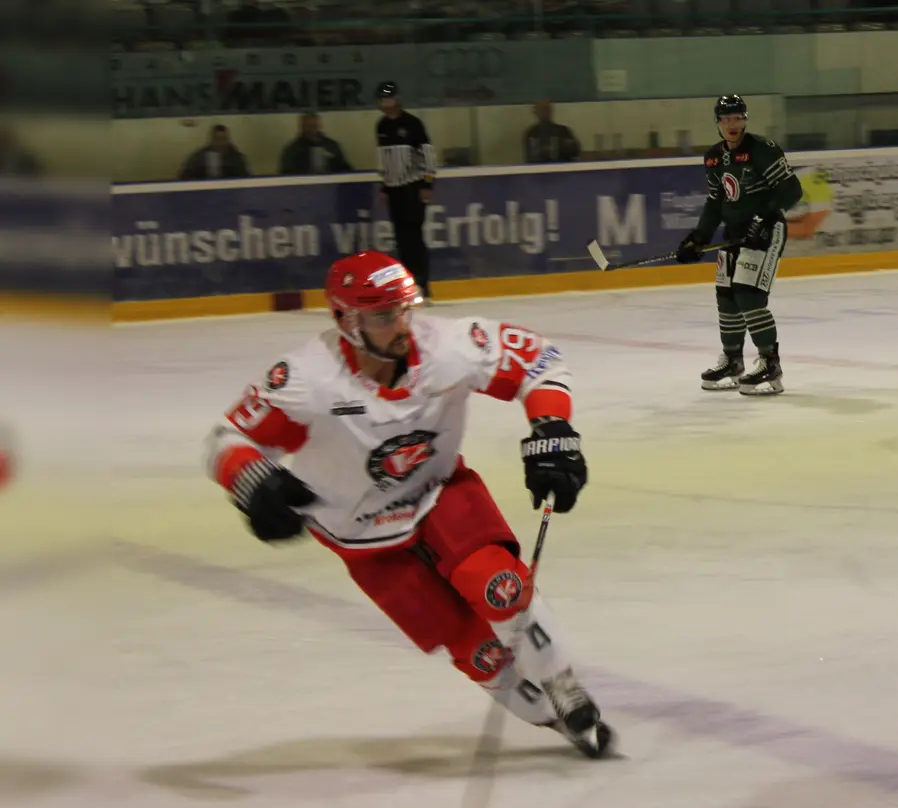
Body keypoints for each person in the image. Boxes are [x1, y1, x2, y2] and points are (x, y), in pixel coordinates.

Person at [201, 250, 612, 758]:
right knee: (474, 649)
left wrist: (552, 426)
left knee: (500, 586)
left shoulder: (449, 348)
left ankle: (564, 685)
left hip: (439, 491)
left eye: (404, 308)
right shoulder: (306, 380)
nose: (401, 325)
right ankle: (549, 717)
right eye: (383, 315)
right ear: (345, 320)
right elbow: (229, 437)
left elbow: (538, 360)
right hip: (358, 532)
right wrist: (252, 482)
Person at [674, 94, 803, 396]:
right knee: (726, 295)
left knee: (748, 294)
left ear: (745, 120)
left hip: (766, 231)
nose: (732, 124)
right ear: (717, 123)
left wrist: (762, 217)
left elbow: (792, 191)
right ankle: (733, 361)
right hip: (735, 234)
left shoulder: (763, 150)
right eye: (726, 119)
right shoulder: (714, 158)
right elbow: (716, 201)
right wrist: (698, 238)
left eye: (737, 118)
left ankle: (770, 363)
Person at [373, 81, 436, 304]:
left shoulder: (412, 124)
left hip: (413, 187)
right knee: (401, 239)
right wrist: (385, 186)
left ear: (397, 99)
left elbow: (427, 156)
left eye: (388, 98)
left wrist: (428, 184)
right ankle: (408, 284)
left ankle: (423, 284)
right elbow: (384, 160)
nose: (385, 103)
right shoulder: (381, 126)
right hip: (394, 190)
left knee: (414, 237)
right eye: (382, 99)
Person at [279, 112, 353, 175]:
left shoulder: (331, 146)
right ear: (301, 127)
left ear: (319, 126)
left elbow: (345, 169)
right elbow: (286, 174)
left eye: (313, 126)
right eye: (307, 127)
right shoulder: (292, 150)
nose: (310, 130)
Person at [179, 125, 251, 181]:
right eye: (217, 139)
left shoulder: (236, 157)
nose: (220, 143)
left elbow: (245, 177)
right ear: (212, 139)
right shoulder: (199, 157)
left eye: (223, 139)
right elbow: (185, 176)